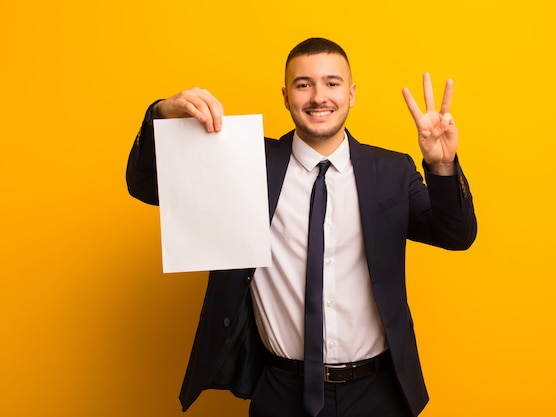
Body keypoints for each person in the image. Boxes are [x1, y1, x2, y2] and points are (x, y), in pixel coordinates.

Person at [126, 38, 477, 417]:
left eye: (332, 83)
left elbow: (455, 235)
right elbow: (144, 184)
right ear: (285, 95)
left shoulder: (391, 171)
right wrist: (162, 113)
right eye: (303, 84)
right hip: (281, 390)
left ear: (352, 93)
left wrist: (442, 166)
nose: (318, 97)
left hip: (379, 392)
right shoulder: (245, 166)